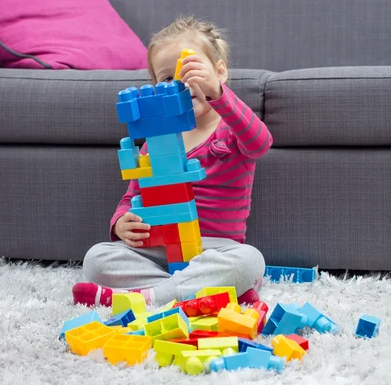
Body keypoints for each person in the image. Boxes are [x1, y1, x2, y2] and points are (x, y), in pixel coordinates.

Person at [73, 17, 273, 307]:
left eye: (190, 72)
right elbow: (133, 195)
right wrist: (120, 223)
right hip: (159, 249)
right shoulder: (157, 141)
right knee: (96, 259)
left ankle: (147, 298)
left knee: (250, 262)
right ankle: (196, 293)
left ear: (219, 72)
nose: (179, 85)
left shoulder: (231, 127)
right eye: (167, 79)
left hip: (214, 249)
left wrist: (218, 95)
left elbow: (260, 142)